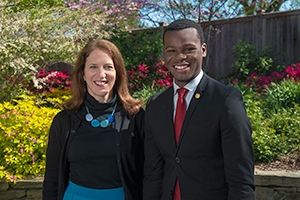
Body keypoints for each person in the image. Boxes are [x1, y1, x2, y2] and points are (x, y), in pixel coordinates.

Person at [143, 19, 255, 200]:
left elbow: (241, 178)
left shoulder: (226, 100)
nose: (180, 57)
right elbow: (153, 173)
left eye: (188, 49)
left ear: (203, 50)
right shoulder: (156, 105)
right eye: (172, 51)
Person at [42, 39, 144, 200]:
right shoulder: (63, 121)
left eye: (108, 67)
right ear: (82, 74)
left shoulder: (136, 118)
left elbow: (150, 172)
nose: (101, 74)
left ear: (118, 73)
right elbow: (52, 178)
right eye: (93, 67)